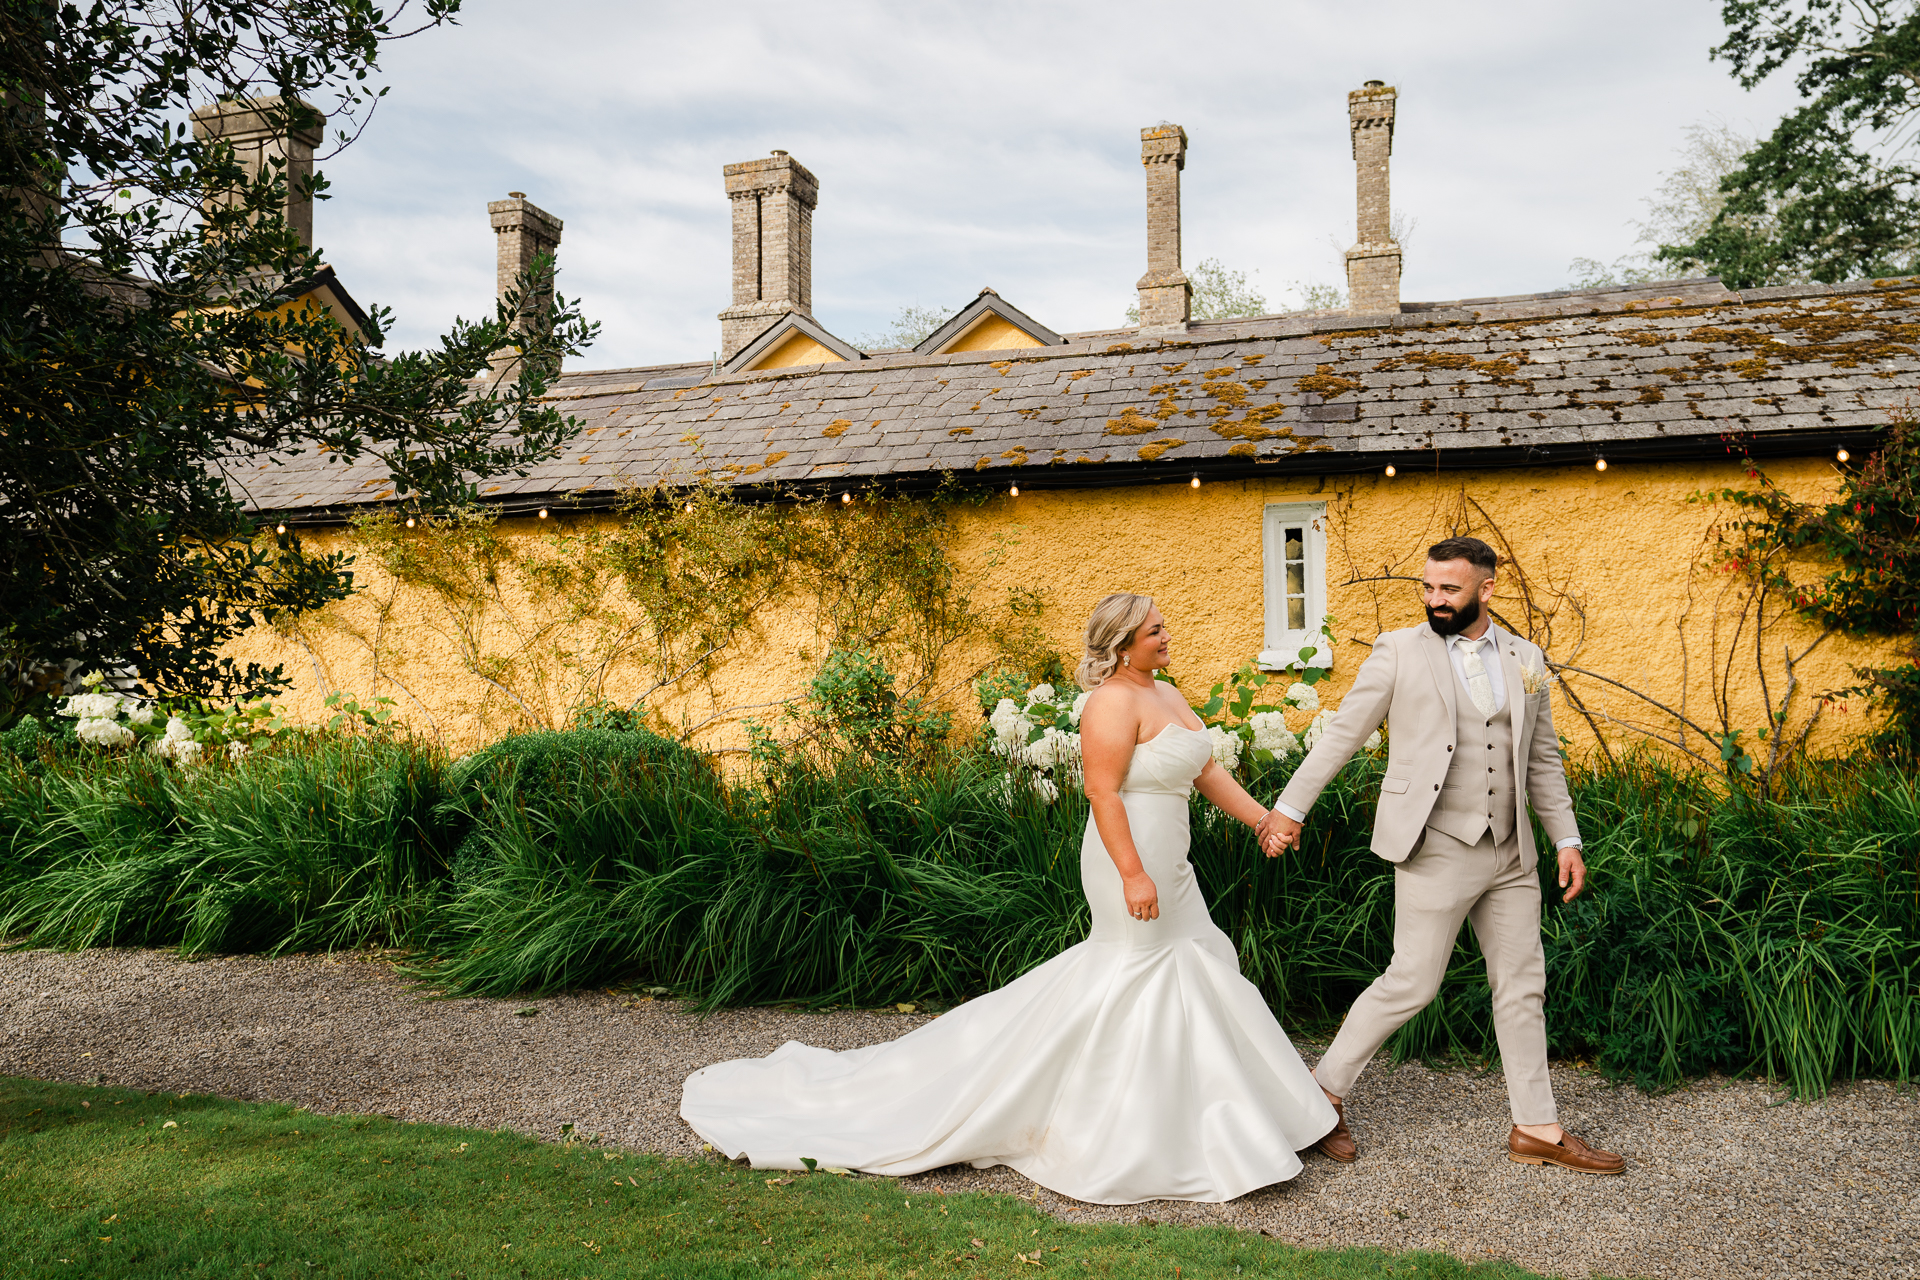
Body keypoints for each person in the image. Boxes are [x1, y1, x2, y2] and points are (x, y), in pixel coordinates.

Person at [680, 593, 1337, 1204]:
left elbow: (1206, 769)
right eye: (1154, 630)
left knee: (1202, 958)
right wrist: (1134, 873)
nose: (1167, 636)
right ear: (1122, 645)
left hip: (1173, 861)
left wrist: (1260, 821)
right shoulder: (1110, 704)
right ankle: (1130, 1136)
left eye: (1162, 627)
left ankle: (1227, 1120)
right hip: (1125, 858)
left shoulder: (1165, 692)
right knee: (1147, 977)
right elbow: (1103, 795)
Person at [1255, 536, 1625, 1175]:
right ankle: (1320, 1097)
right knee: (1411, 983)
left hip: (1511, 853)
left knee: (1522, 986)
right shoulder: (1399, 650)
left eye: (1449, 589)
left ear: (1487, 587)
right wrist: (1289, 809)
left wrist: (1567, 839)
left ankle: (1537, 1127)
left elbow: (1541, 758)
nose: (1435, 599)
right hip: (1433, 844)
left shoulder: (1526, 657)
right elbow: (1345, 732)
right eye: (1428, 588)